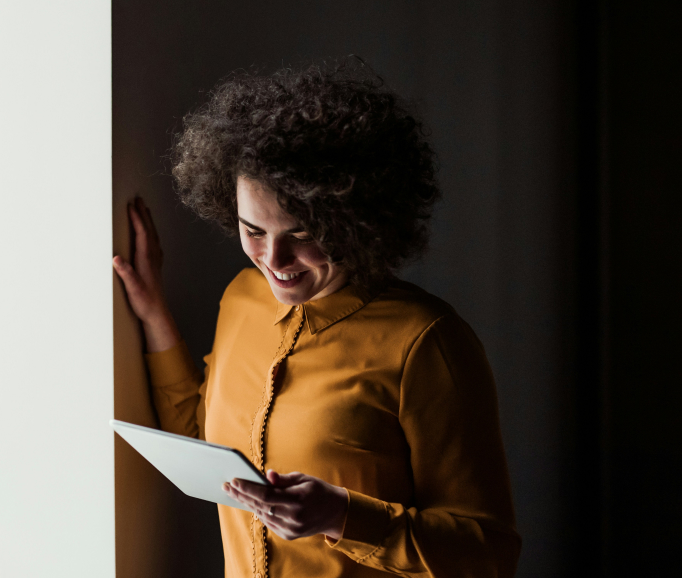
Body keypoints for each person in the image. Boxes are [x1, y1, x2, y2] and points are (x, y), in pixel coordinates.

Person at [112, 63, 520, 578]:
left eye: (302, 233)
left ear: (357, 218)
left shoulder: (426, 342)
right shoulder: (242, 298)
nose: (273, 259)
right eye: (252, 229)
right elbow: (209, 442)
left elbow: (490, 553)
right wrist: (151, 315)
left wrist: (343, 517)